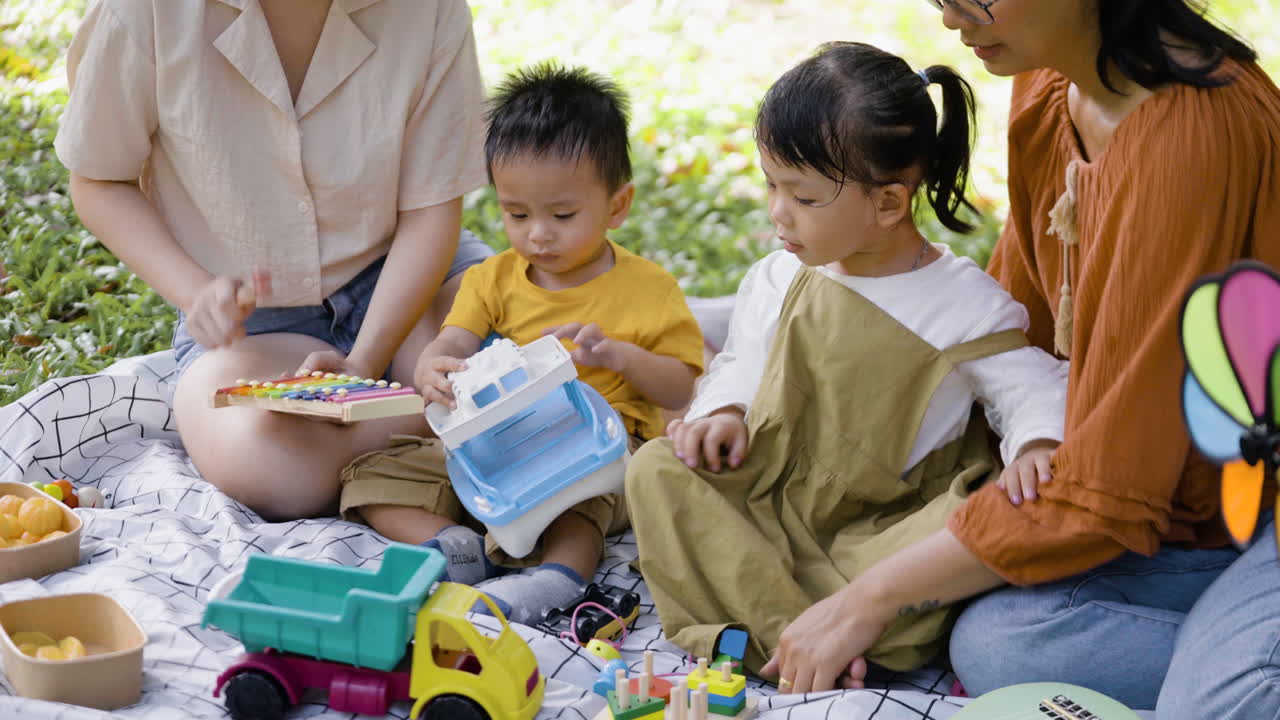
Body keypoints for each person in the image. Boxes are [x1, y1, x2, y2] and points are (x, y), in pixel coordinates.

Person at [624, 41, 1069, 687]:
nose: (778, 211)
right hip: (770, 489)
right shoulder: (780, 274)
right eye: (771, 185)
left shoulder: (962, 304)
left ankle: (784, 633)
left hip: (881, 527)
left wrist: (1037, 443)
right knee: (657, 469)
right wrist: (724, 411)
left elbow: (1029, 386)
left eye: (803, 198)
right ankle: (805, 640)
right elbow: (745, 358)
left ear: (888, 204)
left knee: (970, 522)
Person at [918, 1, 1280, 715]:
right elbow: (1020, 318)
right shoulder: (1052, 80)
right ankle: (1228, 645)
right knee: (999, 641)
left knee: (1217, 702)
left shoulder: (1192, 137)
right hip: (1205, 510)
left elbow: (1113, 482)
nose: (954, 19)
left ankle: (1230, 667)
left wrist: (868, 600)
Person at [53, 0, 493, 521]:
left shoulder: (430, 10)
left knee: (529, 349)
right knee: (268, 464)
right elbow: (100, 178)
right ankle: (451, 436)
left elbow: (430, 214)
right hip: (255, 327)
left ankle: (407, 451)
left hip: (410, 280)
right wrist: (197, 292)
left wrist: (362, 366)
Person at [339, 62, 706, 624]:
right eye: (516, 213)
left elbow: (680, 387)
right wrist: (433, 367)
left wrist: (617, 355)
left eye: (563, 215)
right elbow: (452, 342)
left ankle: (555, 579)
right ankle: (456, 548)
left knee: (579, 506)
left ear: (617, 205)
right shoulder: (493, 279)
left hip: (598, 449)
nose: (537, 233)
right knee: (372, 475)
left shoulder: (648, 290)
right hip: (499, 442)